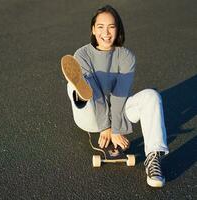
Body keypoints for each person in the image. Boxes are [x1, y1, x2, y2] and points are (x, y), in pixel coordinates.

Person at [61, 5, 169, 188]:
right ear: (93, 30)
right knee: (75, 85)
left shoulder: (127, 57)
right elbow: (97, 94)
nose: (106, 32)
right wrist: (105, 127)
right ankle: (79, 94)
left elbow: (120, 95)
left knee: (151, 96)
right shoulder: (82, 54)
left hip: (119, 111)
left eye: (111, 26)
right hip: (90, 114)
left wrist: (116, 128)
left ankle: (153, 159)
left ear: (118, 29)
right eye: (101, 27)